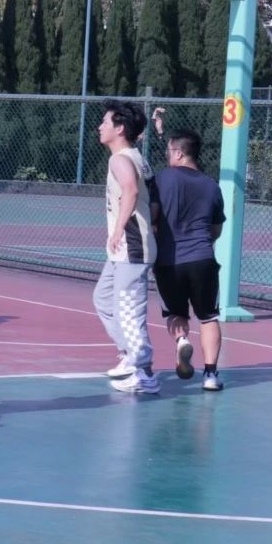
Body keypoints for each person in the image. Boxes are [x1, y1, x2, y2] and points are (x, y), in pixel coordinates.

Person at [93, 99, 160, 395]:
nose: (100, 127)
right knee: (103, 298)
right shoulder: (137, 156)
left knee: (129, 310)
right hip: (125, 249)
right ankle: (130, 354)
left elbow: (131, 190)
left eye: (105, 122)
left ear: (119, 128)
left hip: (131, 247)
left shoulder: (120, 159)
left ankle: (144, 372)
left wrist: (119, 228)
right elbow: (154, 200)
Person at [152, 128, 226, 392]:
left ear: (179, 153)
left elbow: (153, 217)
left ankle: (182, 341)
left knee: (176, 313)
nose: (166, 155)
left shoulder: (161, 179)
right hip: (202, 258)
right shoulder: (212, 185)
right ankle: (210, 375)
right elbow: (216, 229)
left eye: (168, 150)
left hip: (168, 261)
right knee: (208, 317)